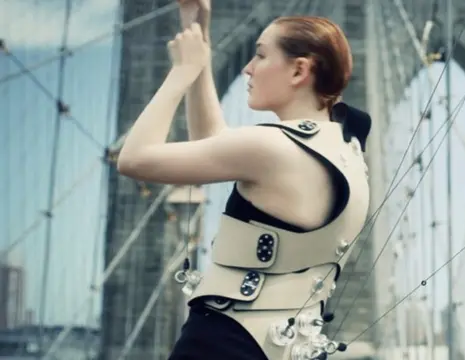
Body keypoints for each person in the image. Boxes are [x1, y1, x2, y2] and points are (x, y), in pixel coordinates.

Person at [117, 0, 372, 358]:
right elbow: (216, 143)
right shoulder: (348, 151)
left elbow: (133, 159)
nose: (248, 69)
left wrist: (182, 71)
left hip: (223, 338)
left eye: (261, 56)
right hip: (287, 346)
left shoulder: (270, 146)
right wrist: (201, 47)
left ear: (299, 70)